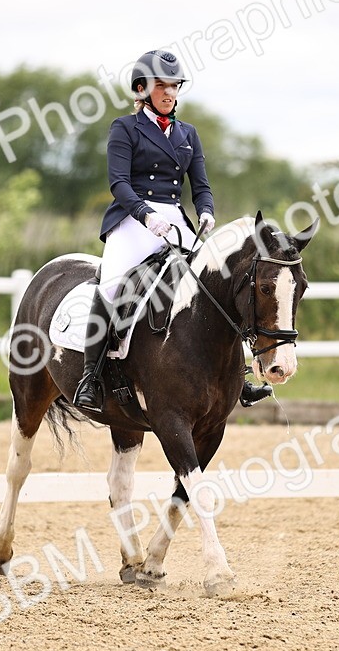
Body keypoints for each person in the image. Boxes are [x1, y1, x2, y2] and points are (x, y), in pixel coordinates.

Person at [72, 49, 273, 412]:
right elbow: (118, 182)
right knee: (112, 284)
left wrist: (208, 212)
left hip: (177, 222)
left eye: (174, 86)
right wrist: (146, 215)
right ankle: (91, 375)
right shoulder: (125, 129)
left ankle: (237, 378)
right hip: (133, 220)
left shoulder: (187, 134)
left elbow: (201, 186)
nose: (169, 92)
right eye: (161, 86)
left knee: (211, 288)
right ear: (142, 89)